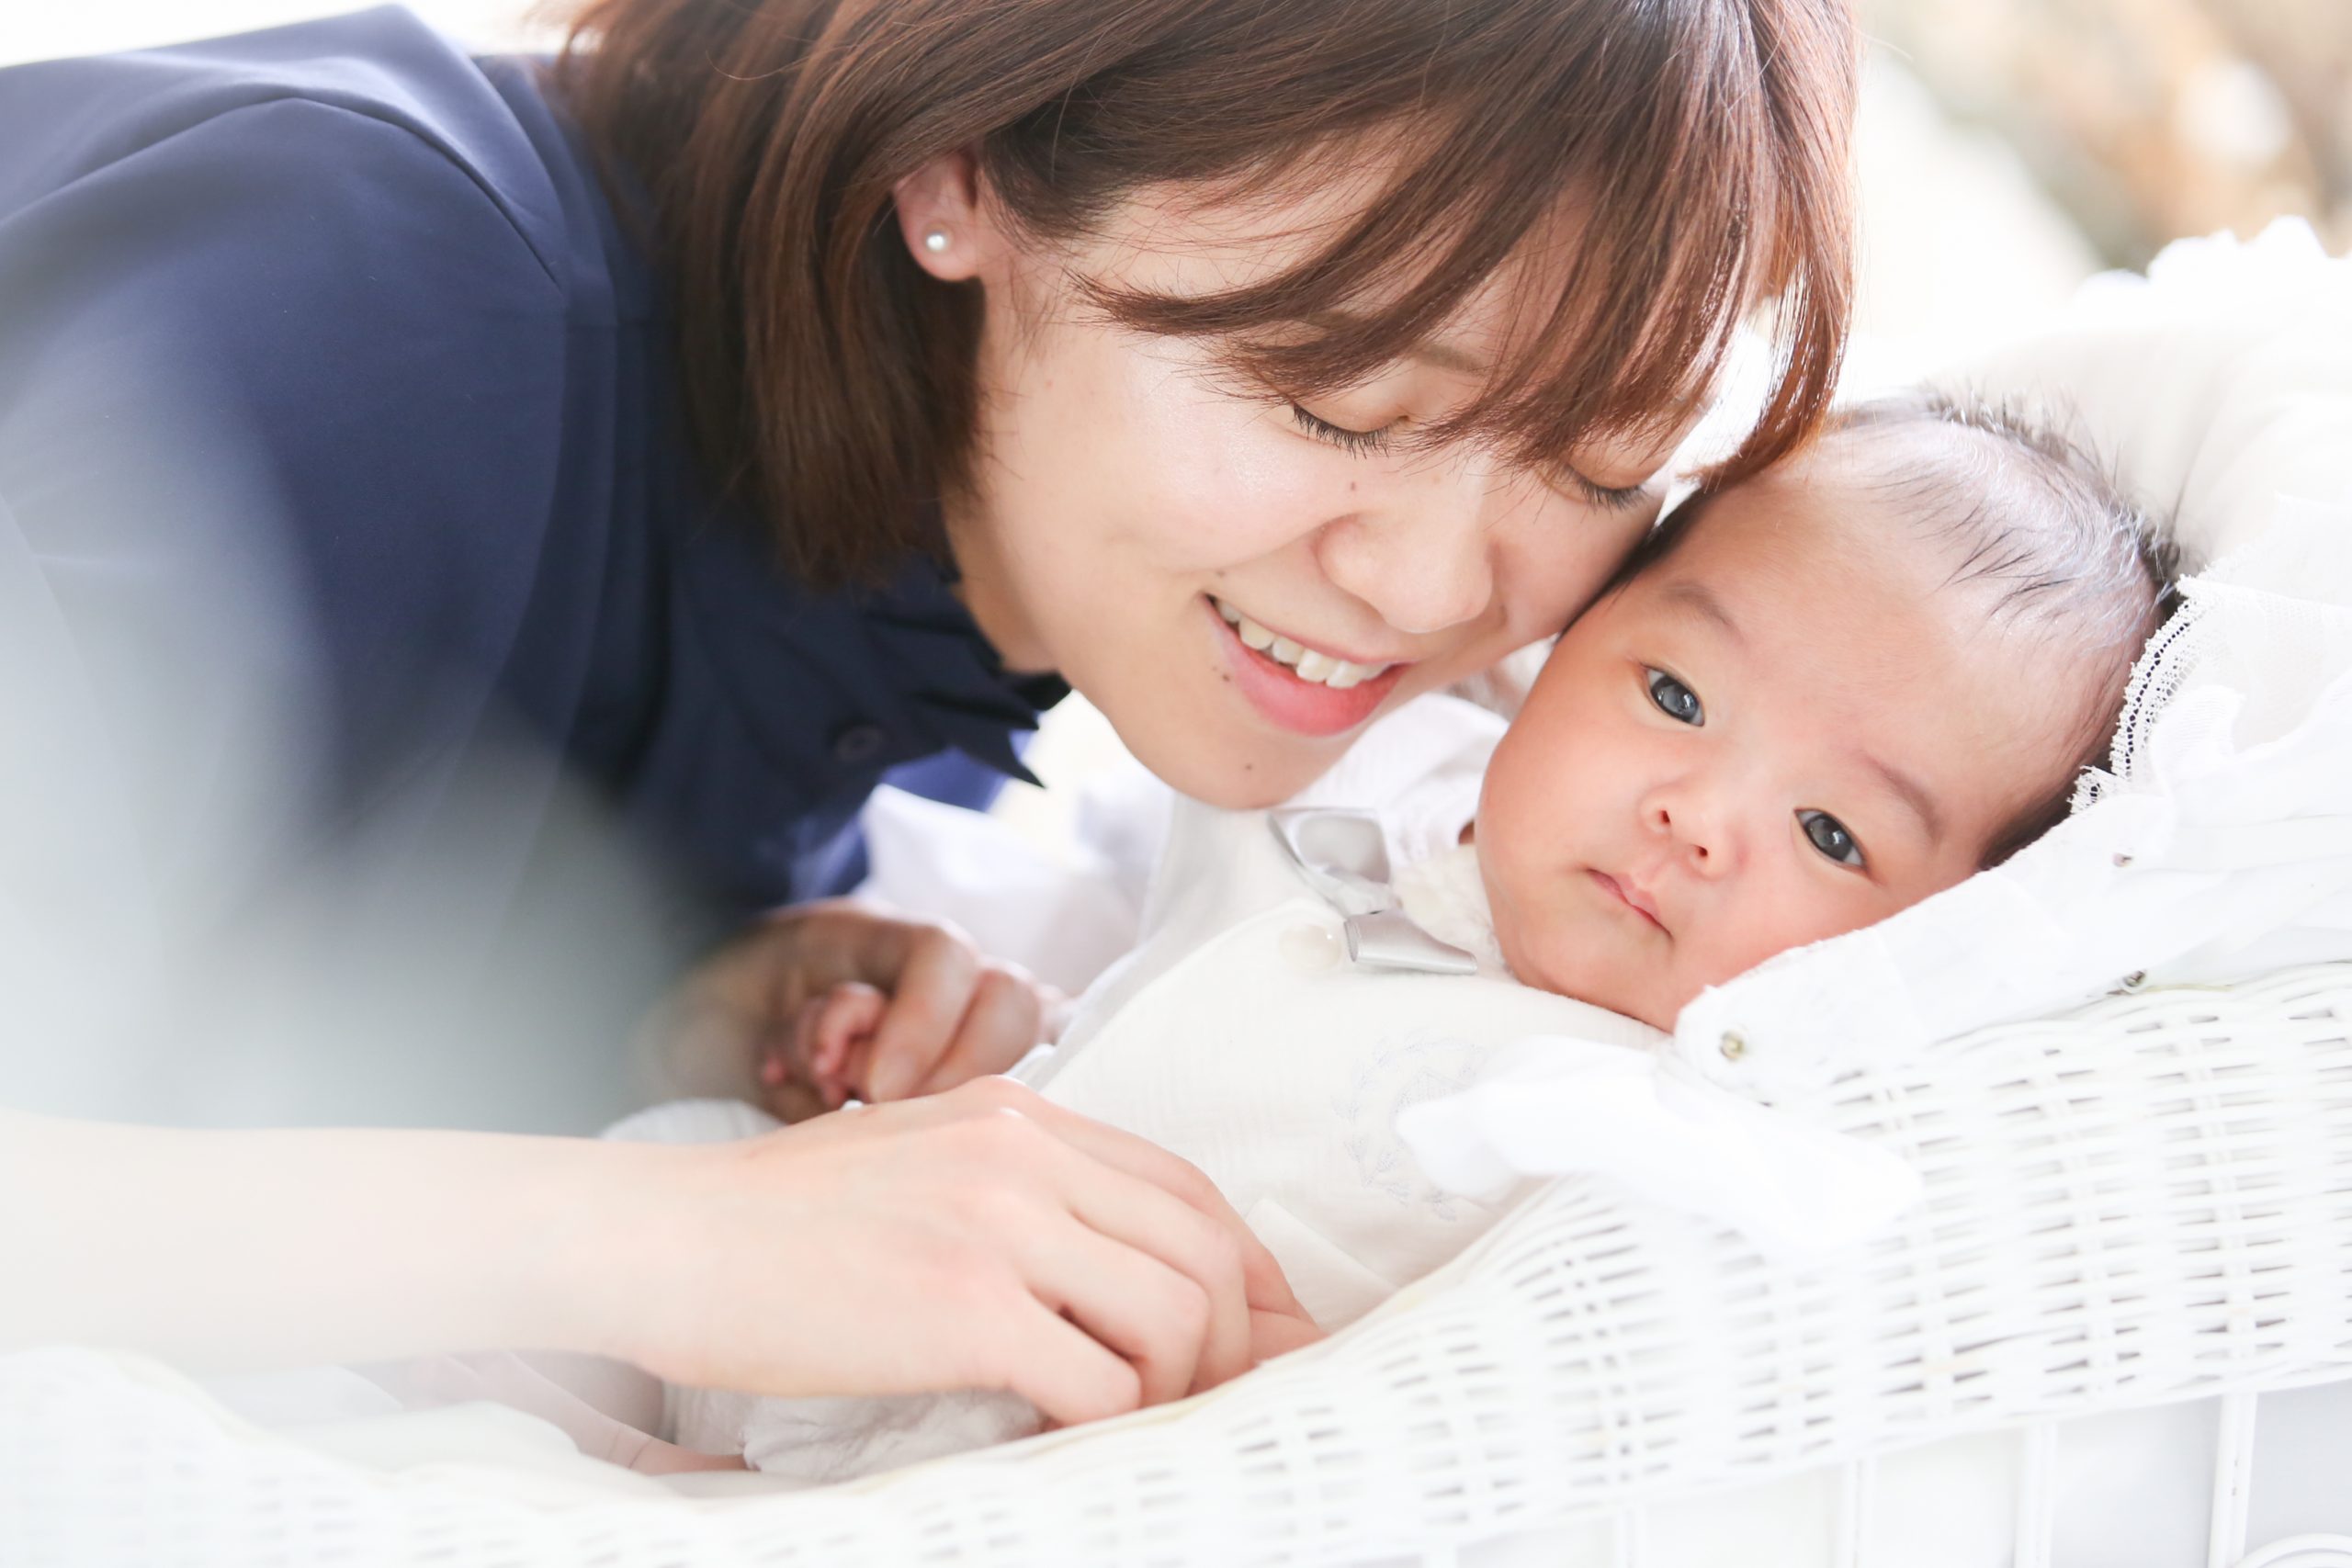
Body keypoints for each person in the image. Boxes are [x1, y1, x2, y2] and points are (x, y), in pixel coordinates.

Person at [0, 0, 1858, 1427]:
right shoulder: (374, 296)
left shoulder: (933, 583)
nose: (1440, 588)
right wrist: (667, 1246)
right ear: (956, 167)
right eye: (1337, 402)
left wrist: (646, 1012)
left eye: (1598, 458)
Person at [619, 389, 2174, 1477]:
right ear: (1568, 647)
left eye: (1833, 837)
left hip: (1061, 1466)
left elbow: (1536, 1434)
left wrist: (1321, 1407)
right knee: (621, 1175)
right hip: (828, 1262)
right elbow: (1118, 949)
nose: (1698, 817)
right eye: (1676, 698)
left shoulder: (1657, 1134)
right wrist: (947, 1012)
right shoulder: (1365, 781)